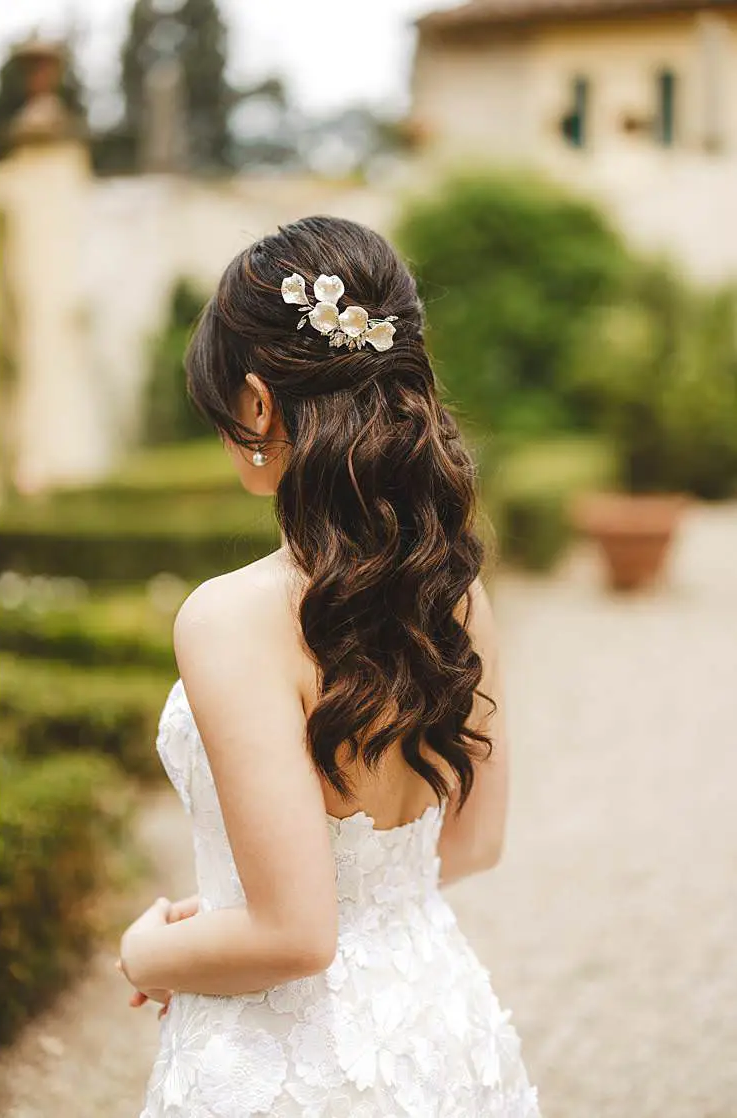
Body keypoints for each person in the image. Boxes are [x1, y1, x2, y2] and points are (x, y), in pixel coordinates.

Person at [116, 217, 539, 1116]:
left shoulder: (230, 618)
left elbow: (296, 935)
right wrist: (233, 914)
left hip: (295, 1063)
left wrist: (146, 952)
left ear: (258, 404)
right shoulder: (458, 596)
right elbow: (472, 845)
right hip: (440, 1027)